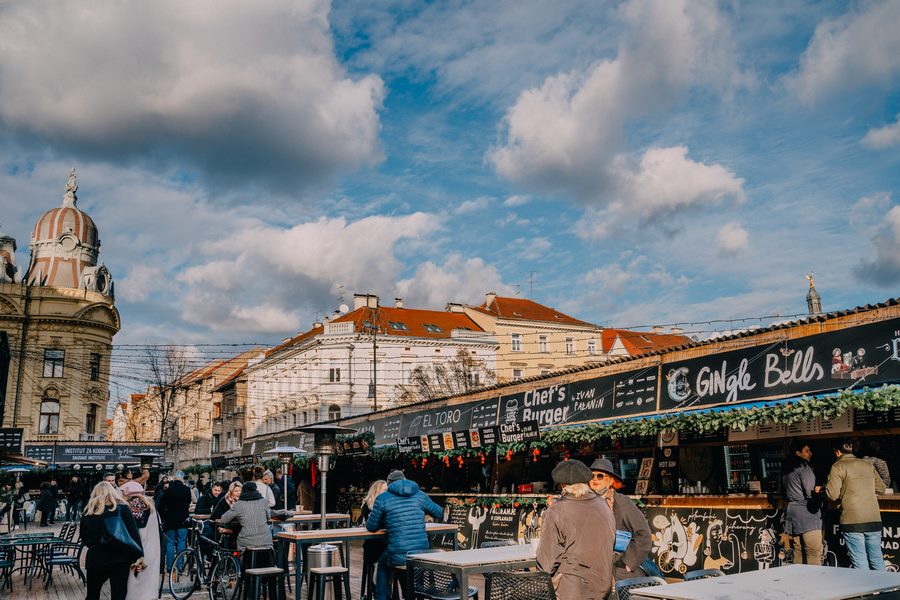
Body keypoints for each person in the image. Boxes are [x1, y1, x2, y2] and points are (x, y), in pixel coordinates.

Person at [537, 460, 615, 600]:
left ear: (563, 485)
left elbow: (546, 562)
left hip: (572, 589)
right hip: (603, 586)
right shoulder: (603, 505)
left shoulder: (556, 510)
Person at [365, 470, 443, 600]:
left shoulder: (383, 498)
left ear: (389, 484)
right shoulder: (420, 495)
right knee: (411, 578)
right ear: (405, 480)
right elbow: (439, 512)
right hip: (421, 554)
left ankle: (382, 597)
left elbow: (371, 527)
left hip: (397, 554)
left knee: (382, 564)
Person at [826, 438, 886, 570]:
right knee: (876, 558)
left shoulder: (838, 466)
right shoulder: (867, 465)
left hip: (852, 520)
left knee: (859, 560)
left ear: (837, 452)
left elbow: (832, 495)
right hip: (873, 518)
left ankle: (865, 590)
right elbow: (882, 489)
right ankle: (885, 590)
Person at [589, 458, 652, 581]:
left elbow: (644, 534)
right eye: (592, 476)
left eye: (600, 475)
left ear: (610, 480)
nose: (595, 479)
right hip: (595, 571)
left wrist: (627, 563)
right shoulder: (587, 502)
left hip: (619, 571)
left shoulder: (622, 502)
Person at [81, 482, 144, 600]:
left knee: (92, 595)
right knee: (119, 595)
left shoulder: (88, 512)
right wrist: (139, 558)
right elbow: (133, 535)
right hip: (120, 557)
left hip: (96, 558)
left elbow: (85, 539)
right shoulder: (123, 508)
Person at [782, 440, 823, 565]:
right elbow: (810, 492)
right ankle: (814, 583)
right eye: (807, 451)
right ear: (798, 453)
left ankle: (798, 583)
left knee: (798, 552)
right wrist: (820, 492)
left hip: (792, 513)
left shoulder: (786, 468)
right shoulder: (804, 468)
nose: (810, 453)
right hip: (807, 514)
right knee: (813, 553)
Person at [121, 481, 162, 600]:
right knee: (148, 585)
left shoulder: (135, 506)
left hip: (139, 550)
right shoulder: (150, 505)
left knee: (135, 585)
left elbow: (137, 532)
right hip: (153, 549)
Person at [218, 481, 272, 552]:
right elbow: (268, 517)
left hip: (247, 541)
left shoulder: (239, 504)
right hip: (266, 540)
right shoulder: (264, 501)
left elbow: (223, 519)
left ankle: (241, 561)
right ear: (256, 490)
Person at [157, 474, 191, 572]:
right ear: (181, 481)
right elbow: (188, 502)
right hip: (183, 520)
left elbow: (161, 507)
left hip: (170, 520)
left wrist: (164, 517)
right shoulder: (187, 490)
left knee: (170, 542)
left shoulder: (168, 491)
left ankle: (169, 566)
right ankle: (180, 565)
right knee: (181, 542)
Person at [360, 480, 388, 600]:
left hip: (385, 543)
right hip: (373, 545)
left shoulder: (387, 504)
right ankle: (378, 590)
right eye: (384, 490)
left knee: (389, 561)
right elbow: (372, 526)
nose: (387, 492)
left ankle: (384, 591)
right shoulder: (368, 505)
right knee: (381, 562)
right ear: (376, 491)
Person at [213, 481, 243, 547]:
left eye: (240, 491)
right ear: (231, 492)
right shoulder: (225, 500)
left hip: (238, 527)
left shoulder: (243, 501)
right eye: (236, 491)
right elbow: (214, 515)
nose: (239, 493)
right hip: (225, 526)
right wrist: (229, 516)